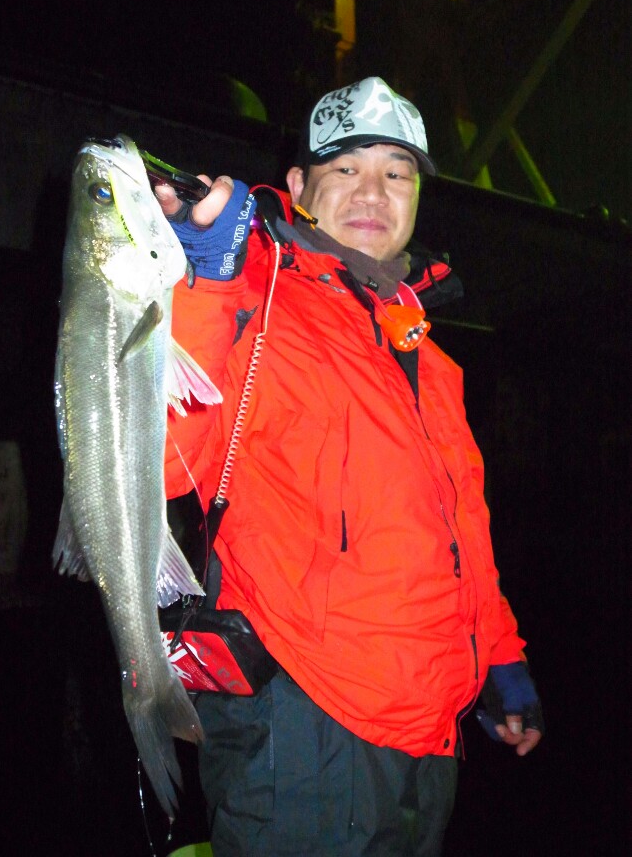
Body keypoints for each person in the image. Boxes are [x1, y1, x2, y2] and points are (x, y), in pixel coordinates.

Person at [157, 76, 544, 857]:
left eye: (397, 173)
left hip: (431, 726)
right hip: (305, 723)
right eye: (346, 168)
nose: (373, 191)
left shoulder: (427, 355)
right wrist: (200, 282)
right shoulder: (250, 303)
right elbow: (164, 463)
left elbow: (462, 530)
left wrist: (500, 658)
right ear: (299, 187)